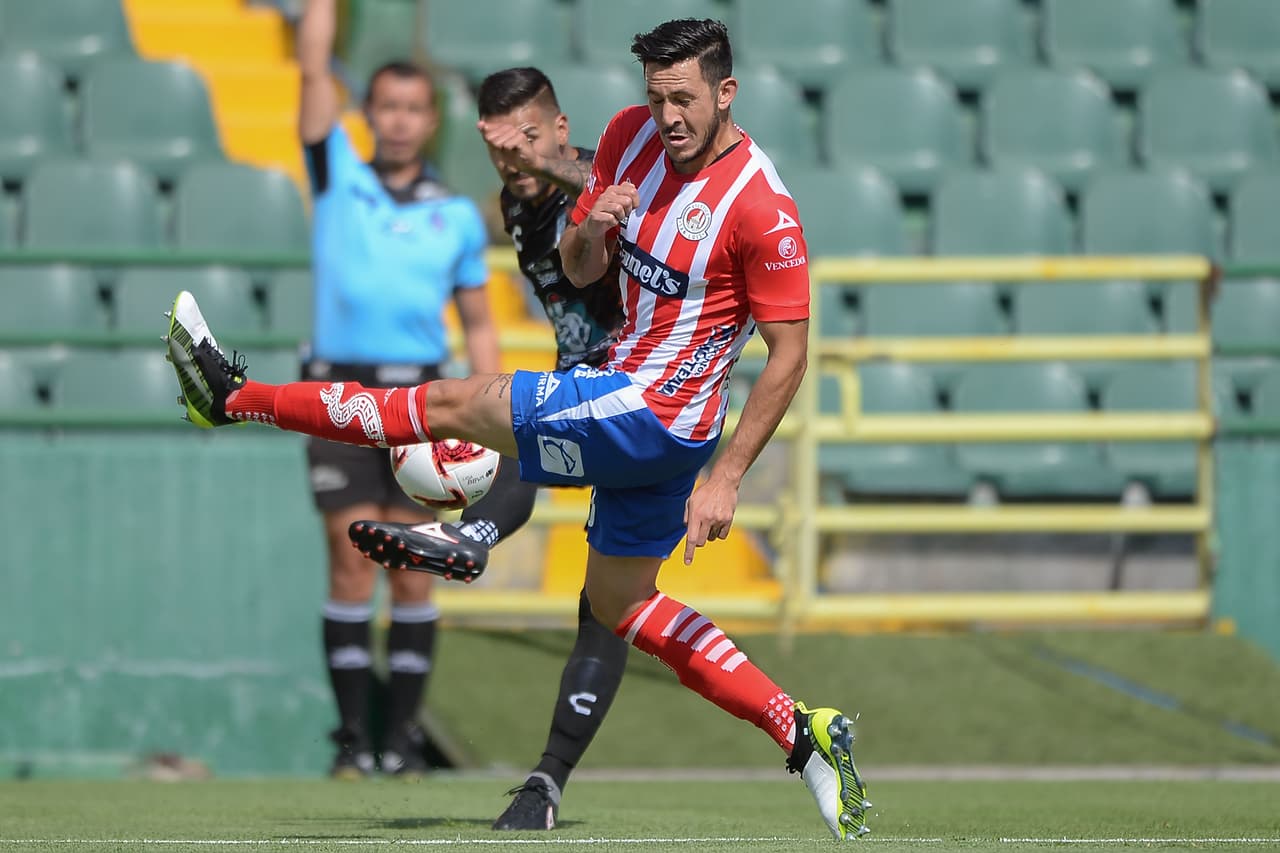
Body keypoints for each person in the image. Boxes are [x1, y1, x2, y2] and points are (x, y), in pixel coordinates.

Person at [166, 18, 870, 840]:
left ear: (726, 92)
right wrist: (594, 223)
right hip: (637, 408)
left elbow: (790, 353)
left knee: (449, 403)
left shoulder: (762, 208)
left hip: (650, 412)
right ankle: (802, 732)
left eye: (683, 99)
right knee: (622, 605)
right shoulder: (629, 137)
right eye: (657, 98)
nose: (668, 116)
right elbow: (577, 266)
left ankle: (235, 397)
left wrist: (729, 478)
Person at [294, 0, 501, 779]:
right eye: (387, 106)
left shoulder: (456, 216)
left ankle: (403, 740)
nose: (401, 120)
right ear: (368, 111)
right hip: (339, 395)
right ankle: (353, 740)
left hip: (422, 403)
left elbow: (478, 323)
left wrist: (492, 408)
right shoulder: (337, 177)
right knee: (350, 560)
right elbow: (312, 71)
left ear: (431, 119)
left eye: (414, 108)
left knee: (414, 569)